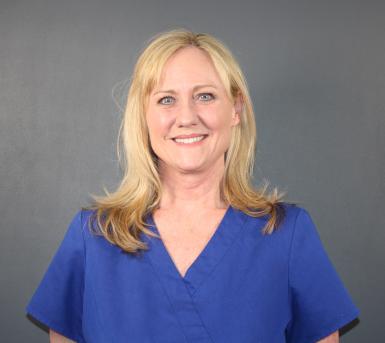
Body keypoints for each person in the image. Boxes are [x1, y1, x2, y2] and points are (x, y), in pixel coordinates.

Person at [25, 28, 359, 343]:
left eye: (205, 96)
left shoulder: (286, 235)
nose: (186, 117)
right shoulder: (94, 238)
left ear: (236, 109)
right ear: (143, 115)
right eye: (166, 99)